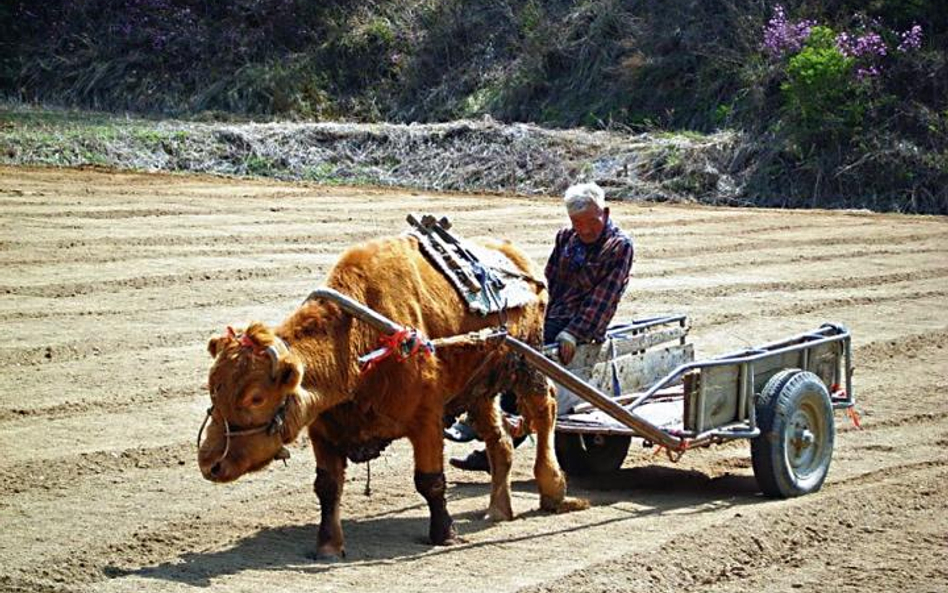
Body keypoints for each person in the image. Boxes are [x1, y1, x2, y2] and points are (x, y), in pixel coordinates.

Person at [449, 182, 634, 472]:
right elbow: (547, 283)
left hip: (580, 329)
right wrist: (532, 316)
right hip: (551, 317)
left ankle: (488, 440)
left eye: (591, 222)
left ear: (606, 212)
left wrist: (574, 332)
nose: (585, 230)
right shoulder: (566, 239)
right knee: (505, 341)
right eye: (578, 223)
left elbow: (604, 300)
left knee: (522, 367)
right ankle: (481, 421)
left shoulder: (618, 246)